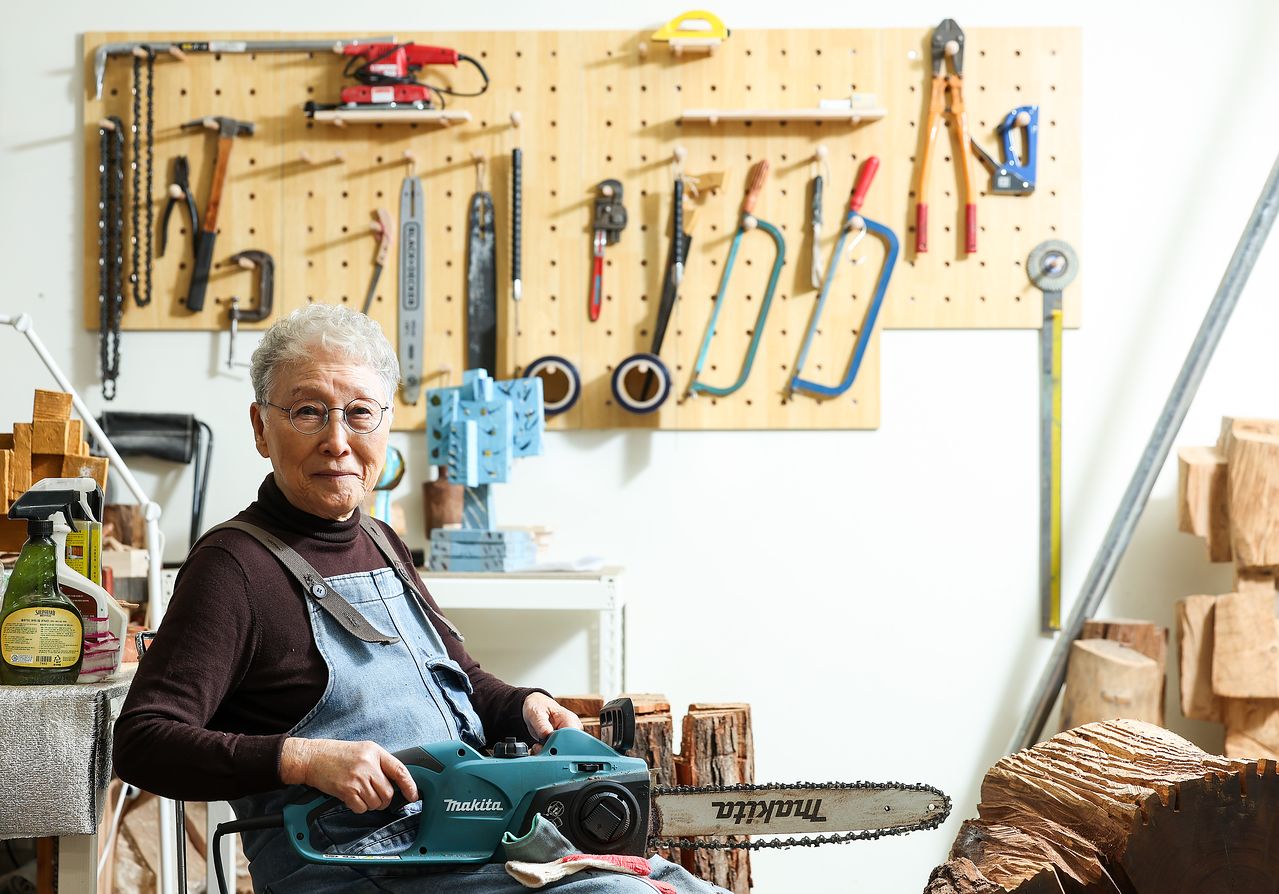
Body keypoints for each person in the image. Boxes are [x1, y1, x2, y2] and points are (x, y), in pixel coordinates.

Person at [114, 304, 727, 893]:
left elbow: (457, 679)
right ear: (259, 428)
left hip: (459, 844)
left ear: (385, 423)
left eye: (359, 412)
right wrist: (302, 759)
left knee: (675, 888)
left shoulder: (382, 541)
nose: (336, 439)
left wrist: (522, 706)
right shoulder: (233, 567)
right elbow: (142, 740)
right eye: (307, 411)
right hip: (348, 867)